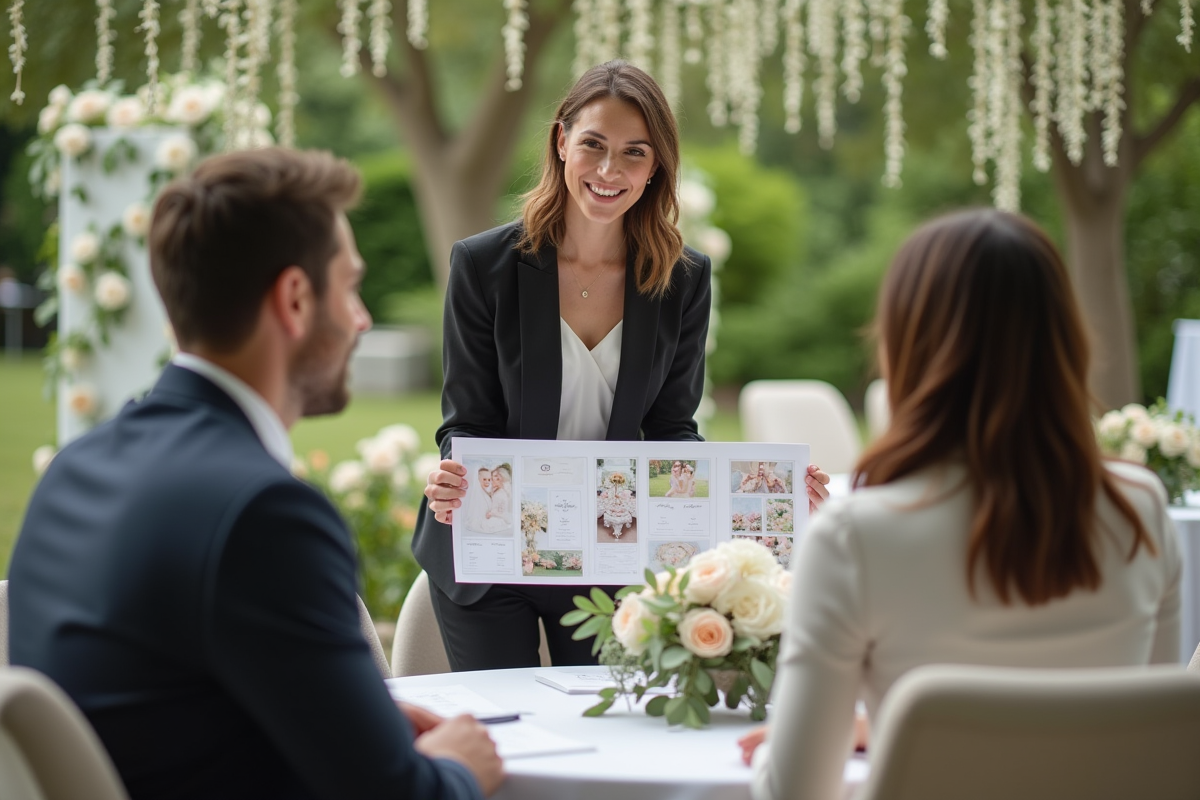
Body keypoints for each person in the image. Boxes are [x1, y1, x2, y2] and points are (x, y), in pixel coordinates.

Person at [8, 149, 503, 800]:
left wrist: (362, 724)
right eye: (351, 287)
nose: (359, 319)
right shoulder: (262, 513)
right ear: (295, 299)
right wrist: (461, 766)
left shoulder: (75, 468)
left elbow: (172, 703)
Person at [741, 209, 1181, 800]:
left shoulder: (856, 536)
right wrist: (902, 731)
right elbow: (1149, 737)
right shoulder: (1142, 509)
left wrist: (785, 747)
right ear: (1063, 342)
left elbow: (795, 793)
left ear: (907, 346)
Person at [417, 59, 833, 671]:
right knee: (505, 733)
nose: (610, 171)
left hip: (607, 551)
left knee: (604, 724)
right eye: (593, 145)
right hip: (491, 545)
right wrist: (454, 472)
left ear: (656, 165)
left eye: (634, 153)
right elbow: (467, 420)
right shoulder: (483, 266)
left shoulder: (683, 279)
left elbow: (672, 432)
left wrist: (770, 491)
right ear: (562, 141)